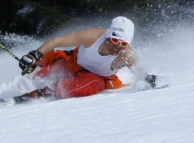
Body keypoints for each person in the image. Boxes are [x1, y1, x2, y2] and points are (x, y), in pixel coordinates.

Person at [18, 16, 156, 100]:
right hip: (72, 62)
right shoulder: (92, 36)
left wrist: (151, 80)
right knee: (45, 55)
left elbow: (141, 75)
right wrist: (33, 56)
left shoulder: (127, 55)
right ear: (108, 35)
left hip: (95, 78)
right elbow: (57, 41)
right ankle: (31, 71)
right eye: (114, 40)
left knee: (89, 83)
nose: (118, 46)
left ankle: (48, 92)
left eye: (123, 43)